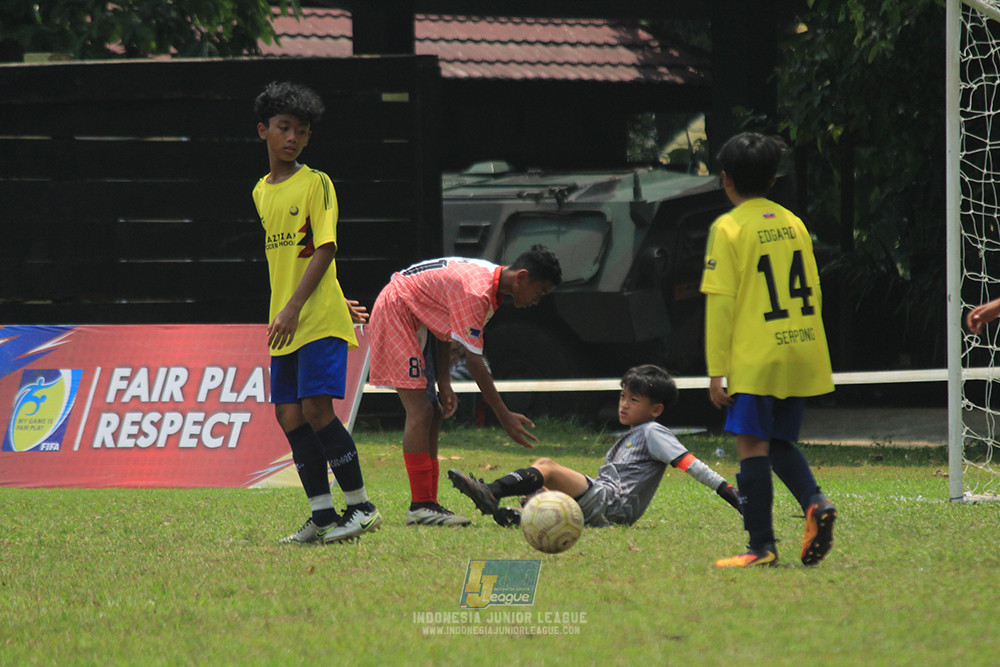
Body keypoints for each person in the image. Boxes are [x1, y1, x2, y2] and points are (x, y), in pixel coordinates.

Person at [700, 131, 837, 568]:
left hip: (756, 357)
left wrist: (717, 370)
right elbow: (813, 287)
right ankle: (815, 502)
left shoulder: (728, 227)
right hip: (798, 347)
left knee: (751, 447)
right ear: (774, 179)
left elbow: (720, 305)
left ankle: (761, 547)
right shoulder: (794, 222)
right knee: (777, 442)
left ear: (725, 179)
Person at [252, 81, 380, 545]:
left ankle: (362, 506)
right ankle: (323, 515)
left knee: (316, 409)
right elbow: (295, 258)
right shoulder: (260, 192)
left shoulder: (317, 183)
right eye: (284, 128)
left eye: (301, 131)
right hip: (289, 318)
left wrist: (301, 304)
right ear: (263, 130)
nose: (292, 138)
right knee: (289, 416)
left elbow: (324, 248)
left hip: (310, 316)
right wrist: (317, 296)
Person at [367, 245, 562, 526]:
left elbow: (444, 325)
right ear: (521, 277)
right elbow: (474, 361)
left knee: (432, 410)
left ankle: (428, 504)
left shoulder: (488, 283)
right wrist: (504, 414)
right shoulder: (477, 291)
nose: (537, 300)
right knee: (420, 411)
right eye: (539, 292)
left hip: (415, 314)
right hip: (398, 309)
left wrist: (443, 381)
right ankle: (421, 506)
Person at [447, 364, 743, 528]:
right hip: (605, 501)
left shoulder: (654, 432)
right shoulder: (629, 436)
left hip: (614, 503)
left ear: (656, 409)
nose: (624, 405)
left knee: (547, 466)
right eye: (622, 397)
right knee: (540, 487)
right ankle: (524, 515)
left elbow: (692, 464)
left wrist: (732, 495)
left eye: (634, 400)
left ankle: (491, 492)